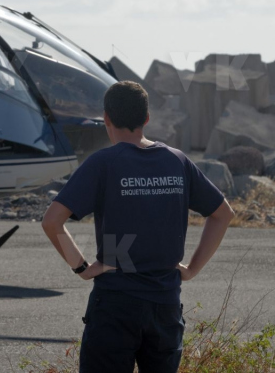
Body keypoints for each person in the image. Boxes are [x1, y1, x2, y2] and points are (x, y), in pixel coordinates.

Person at [41, 81, 234, 373]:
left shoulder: (104, 162)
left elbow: (52, 221)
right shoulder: (176, 160)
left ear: (106, 118)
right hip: (165, 306)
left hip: (116, 302)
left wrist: (82, 267)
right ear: (146, 118)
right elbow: (223, 214)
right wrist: (192, 269)